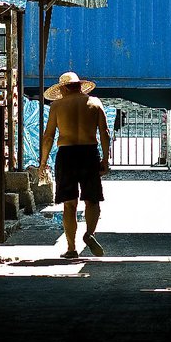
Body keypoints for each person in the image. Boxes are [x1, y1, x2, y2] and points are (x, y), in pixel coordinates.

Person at [38, 72, 110, 259]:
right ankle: (89, 234)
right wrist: (105, 159)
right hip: (89, 153)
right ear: (80, 86)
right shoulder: (94, 103)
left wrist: (43, 162)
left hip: (67, 154)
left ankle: (71, 249)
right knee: (92, 199)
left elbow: (48, 136)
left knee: (69, 204)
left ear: (62, 88)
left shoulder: (57, 105)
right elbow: (105, 132)